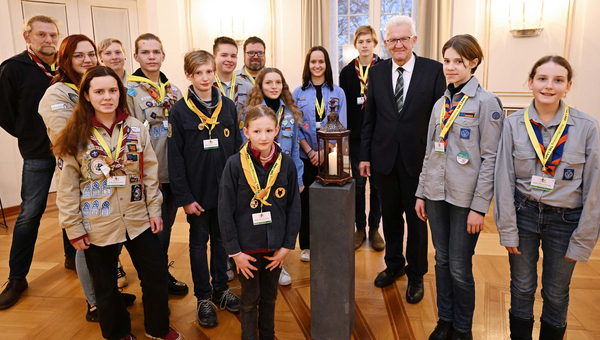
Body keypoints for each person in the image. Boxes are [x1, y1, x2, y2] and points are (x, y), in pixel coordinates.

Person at [52, 65, 180, 340]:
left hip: (138, 218)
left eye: (112, 90)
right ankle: (117, 333)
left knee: (156, 274)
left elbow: (149, 174)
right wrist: (73, 228)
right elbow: (67, 188)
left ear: (120, 93)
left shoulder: (135, 127)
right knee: (105, 284)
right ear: (86, 95)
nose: (107, 97)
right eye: (99, 91)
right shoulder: (74, 135)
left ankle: (157, 328)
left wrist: (155, 210)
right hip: (98, 221)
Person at [494, 56, 600, 340]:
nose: (549, 86)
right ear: (530, 82)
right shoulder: (513, 124)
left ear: (568, 86)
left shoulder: (588, 127)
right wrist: (507, 229)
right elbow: (503, 178)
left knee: (555, 291)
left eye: (558, 80)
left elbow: (594, 189)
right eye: (542, 78)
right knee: (522, 286)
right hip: (524, 215)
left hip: (566, 221)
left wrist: (583, 240)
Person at [415, 34, 503, 340]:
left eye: (458, 62)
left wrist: (480, 208)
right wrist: (421, 191)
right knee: (441, 260)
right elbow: (430, 150)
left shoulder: (487, 102)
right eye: (447, 61)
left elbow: (491, 159)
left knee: (460, 267)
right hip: (436, 194)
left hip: (465, 201)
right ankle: (445, 320)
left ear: (473, 63)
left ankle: (463, 329)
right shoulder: (441, 103)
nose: (450, 67)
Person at [359, 16, 445, 303]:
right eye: (392, 40)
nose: (398, 44)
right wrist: (365, 156)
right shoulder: (378, 72)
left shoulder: (433, 71)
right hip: (383, 160)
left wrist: (436, 162)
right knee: (391, 217)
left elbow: (440, 123)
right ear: (385, 43)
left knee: (418, 222)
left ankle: (416, 273)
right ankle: (394, 265)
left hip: (418, 162)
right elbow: (369, 118)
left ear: (414, 40)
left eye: (403, 39)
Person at [0, 15, 77, 310]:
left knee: (72, 204)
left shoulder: (66, 66)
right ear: (27, 36)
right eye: (41, 34)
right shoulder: (13, 68)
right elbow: (5, 113)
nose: (48, 40)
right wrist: (29, 135)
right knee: (30, 213)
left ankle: (72, 256)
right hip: (37, 153)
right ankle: (17, 277)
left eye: (52, 34)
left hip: (70, 151)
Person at [38, 34, 116, 321]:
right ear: (65, 59)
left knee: (106, 241)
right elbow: (65, 138)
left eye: (91, 54)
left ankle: (107, 293)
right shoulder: (57, 93)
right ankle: (95, 302)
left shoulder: (95, 85)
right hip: (80, 181)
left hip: (108, 177)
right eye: (79, 55)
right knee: (87, 244)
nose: (87, 60)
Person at [168, 50, 242, 327]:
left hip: (225, 193)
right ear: (188, 75)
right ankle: (203, 298)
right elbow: (174, 160)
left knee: (222, 241)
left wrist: (238, 190)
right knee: (198, 244)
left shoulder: (229, 107)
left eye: (209, 72)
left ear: (215, 72)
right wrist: (185, 198)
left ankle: (221, 289)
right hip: (197, 195)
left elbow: (237, 151)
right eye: (198, 73)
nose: (205, 77)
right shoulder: (179, 111)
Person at [219, 104, 301, 340]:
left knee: (270, 296)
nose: (263, 137)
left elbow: (294, 206)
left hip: (275, 247)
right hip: (247, 249)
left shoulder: (285, 164)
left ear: (276, 131)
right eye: (256, 131)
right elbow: (225, 211)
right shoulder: (235, 165)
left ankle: (268, 335)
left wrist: (287, 246)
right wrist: (235, 253)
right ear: (246, 132)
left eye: (268, 131)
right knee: (249, 299)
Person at [125, 33, 188, 296]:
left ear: (163, 56)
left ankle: (160, 274)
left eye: (156, 52)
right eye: (146, 52)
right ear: (136, 56)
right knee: (149, 232)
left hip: (171, 171)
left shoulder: (174, 90)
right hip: (147, 174)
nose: (152, 57)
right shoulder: (128, 90)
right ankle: (153, 280)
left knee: (166, 228)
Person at [240, 67, 304, 286]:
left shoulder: (290, 112)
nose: (274, 87)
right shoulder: (251, 111)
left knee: (280, 219)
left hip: (284, 176)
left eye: (278, 82)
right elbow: (244, 147)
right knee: (259, 219)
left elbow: (295, 149)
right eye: (268, 83)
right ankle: (256, 260)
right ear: (260, 86)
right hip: (258, 176)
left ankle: (279, 264)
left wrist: (299, 179)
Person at [292, 46, 347, 262]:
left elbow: (341, 125)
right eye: (313, 62)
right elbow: (295, 126)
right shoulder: (298, 93)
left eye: (321, 62)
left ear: (327, 64)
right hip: (306, 157)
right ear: (308, 65)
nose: (317, 66)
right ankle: (305, 245)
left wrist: (324, 151)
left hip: (331, 157)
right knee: (305, 203)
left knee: (330, 201)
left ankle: (329, 242)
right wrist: (310, 151)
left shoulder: (338, 92)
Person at [339, 25, 384, 251]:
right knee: (357, 185)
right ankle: (360, 228)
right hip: (355, 139)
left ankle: (375, 229)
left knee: (377, 186)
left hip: (380, 139)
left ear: (375, 44)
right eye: (360, 41)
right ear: (355, 44)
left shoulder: (385, 68)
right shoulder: (347, 72)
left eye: (368, 41)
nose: (364, 45)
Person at [98, 37, 131, 289]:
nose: (114, 56)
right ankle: (115, 267)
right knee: (108, 222)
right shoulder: (96, 83)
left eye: (118, 51)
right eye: (108, 52)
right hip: (101, 172)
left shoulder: (135, 86)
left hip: (131, 167)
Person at [213, 36, 252, 113]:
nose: (229, 60)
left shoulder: (247, 88)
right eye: (224, 55)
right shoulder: (207, 86)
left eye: (233, 56)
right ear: (214, 58)